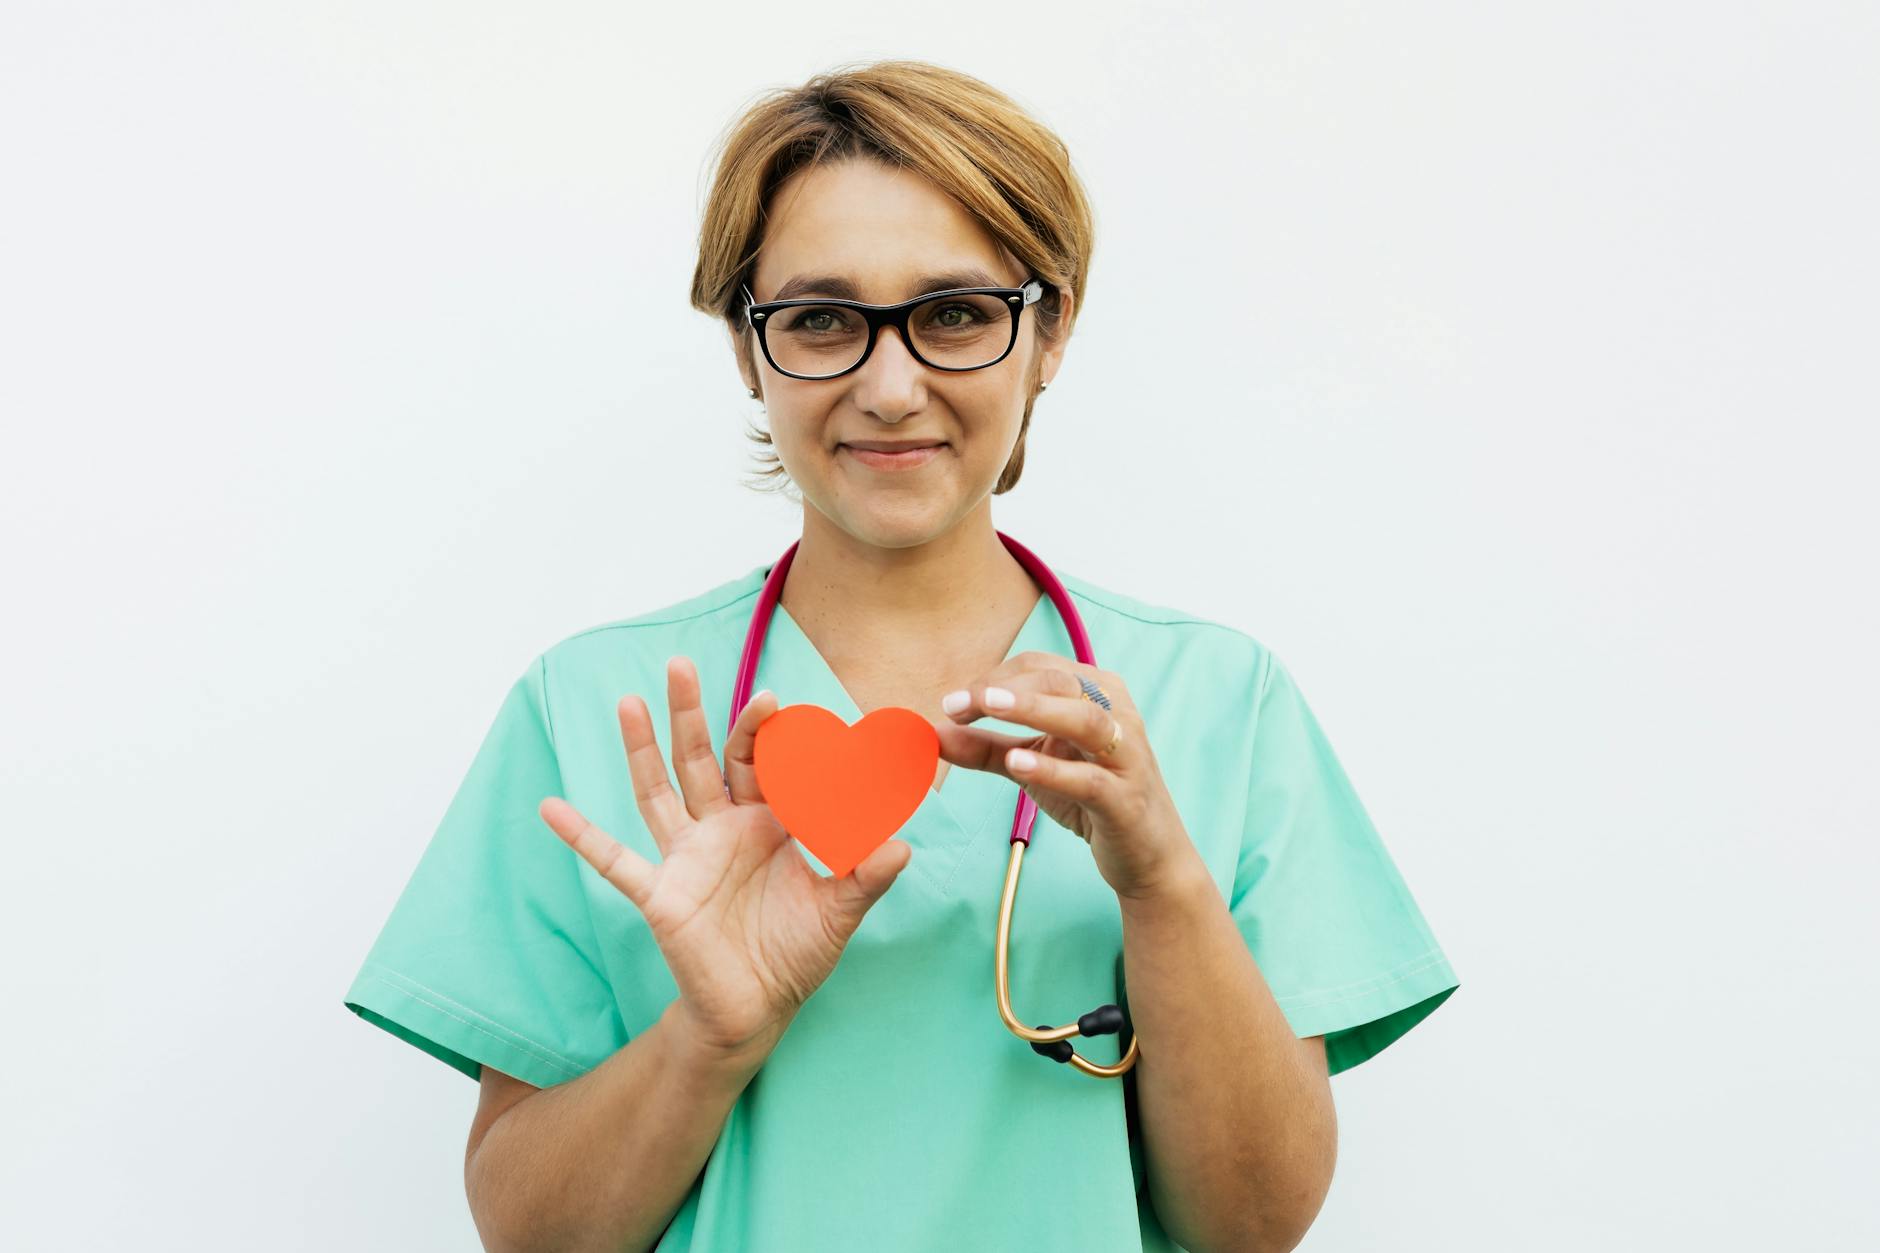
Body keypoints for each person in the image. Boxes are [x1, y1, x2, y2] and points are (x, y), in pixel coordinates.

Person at [342, 59, 1460, 1253]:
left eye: (956, 314)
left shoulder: (1218, 703)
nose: (888, 386)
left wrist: (1161, 882)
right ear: (745, 348)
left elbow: (1249, 1226)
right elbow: (531, 1233)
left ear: (1050, 333)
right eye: (820, 319)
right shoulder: (590, 708)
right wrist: (710, 1035)